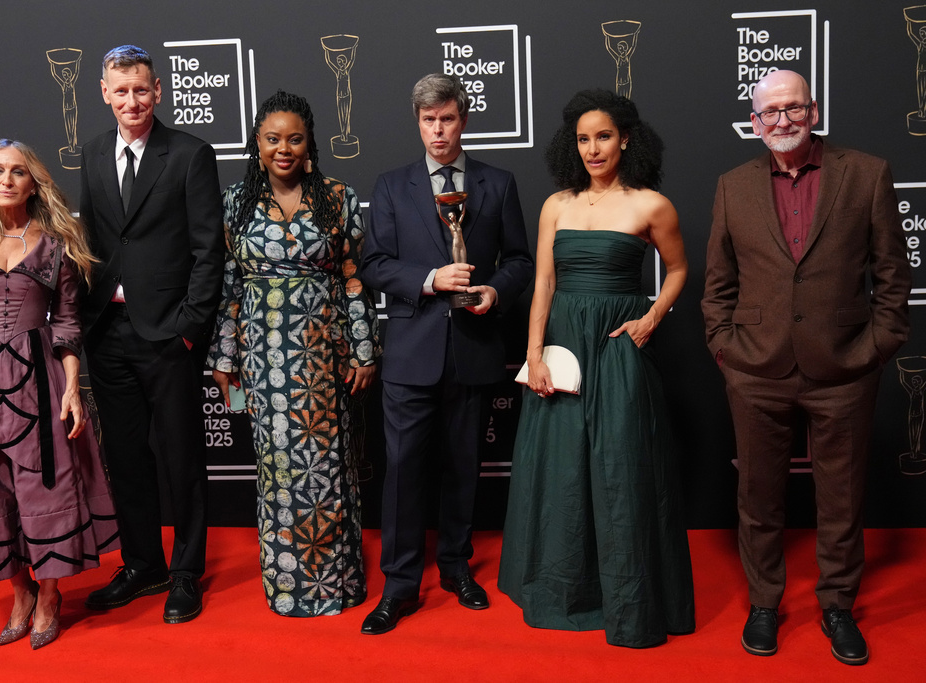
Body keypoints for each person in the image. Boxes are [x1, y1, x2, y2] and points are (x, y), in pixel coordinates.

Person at [702, 70, 911, 665]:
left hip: (844, 368)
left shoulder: (865, 173)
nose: (782, 121)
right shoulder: (731, 186)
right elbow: (718, 284)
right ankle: (765, 602)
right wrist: (725, 349)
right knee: (758, 495)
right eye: (769, 112)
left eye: (792, 108)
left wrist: (875, 347)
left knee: (841, 498)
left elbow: (893, 277)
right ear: (754, 120)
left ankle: (838, 605)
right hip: (756, 370)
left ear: (813, 110)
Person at [498, 89, 695, 647]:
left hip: (618, 347)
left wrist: (650, 319)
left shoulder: (651, 204)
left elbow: (679, 269)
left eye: (603, 136)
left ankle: (629, 600)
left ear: (625, 138)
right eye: (583, 139)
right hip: (564, 350)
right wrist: (534, 354)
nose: (593, 148)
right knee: (563, 472)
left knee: (621, 469)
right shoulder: (556, 205)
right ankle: (566, 593)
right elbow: (543, 283)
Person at [0, 139, 119, 649]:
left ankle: (51, 594)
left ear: (34, 182)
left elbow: (69, 324)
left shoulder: (56, 244)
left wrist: (73, 389)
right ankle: (20, 592)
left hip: (41, 379)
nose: (6, 179)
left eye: (17, 172)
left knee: (46, 485)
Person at [360, 73, 533, 634]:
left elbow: (521, 261)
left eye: (448, 118)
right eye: (429, 120)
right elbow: (374, 265)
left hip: (475, 349)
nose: (439, 129)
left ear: (464, 119)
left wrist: (495, 290)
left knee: (464, 466)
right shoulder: (391, 186)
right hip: (412, 352)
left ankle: (457, 567)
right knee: (404, 470)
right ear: (418, 123)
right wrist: (431, 278)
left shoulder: (498, 183)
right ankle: (401, 584)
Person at [208, 90, 380, 616]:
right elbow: (231, 286)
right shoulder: (235, 202)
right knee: (278, 465)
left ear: (310, 144)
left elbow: (354, 280)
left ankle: (338, 582)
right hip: (262, 356)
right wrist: (224, 358)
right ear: (256, 143)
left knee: (328, 464)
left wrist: (364, 350)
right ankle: (287, 585)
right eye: (272, 138)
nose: (284, 149)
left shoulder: (338, 196)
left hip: (323, 355)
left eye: (295, 139)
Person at [78, 45, 224, 624]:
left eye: (141, 90)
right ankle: (143, 563)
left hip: (167, 334)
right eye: (121, 90)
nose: (132, 101)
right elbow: (89, 240)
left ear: (157, 91)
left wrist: (189, 330)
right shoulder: (90, 154)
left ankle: (186, 571)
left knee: (182, 457)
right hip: (108, 330)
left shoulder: (189, 154)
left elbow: (208, 250)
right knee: (126, 456)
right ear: (104, 92)